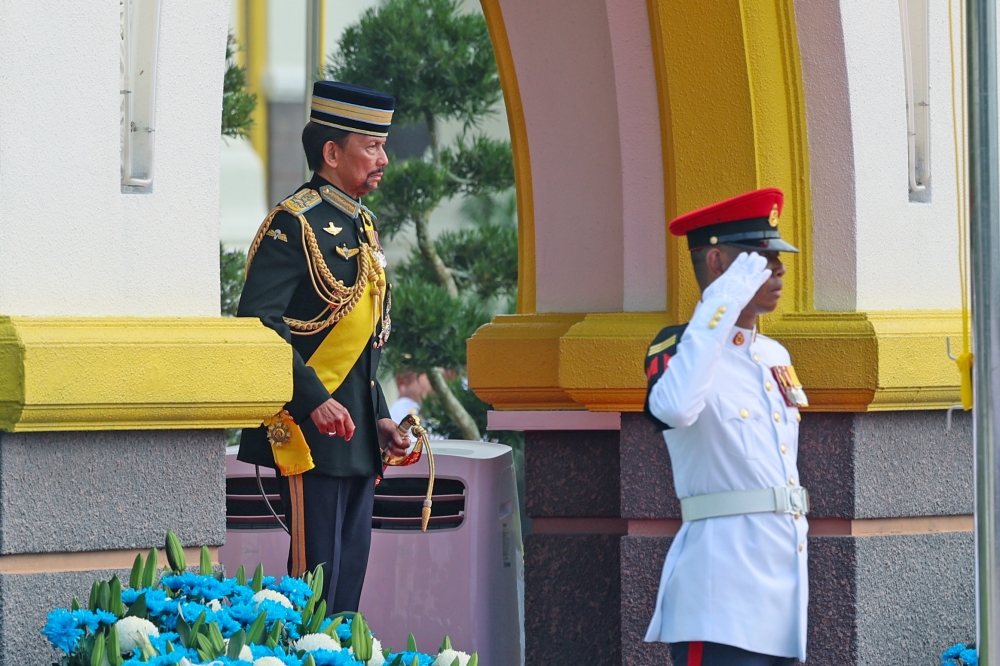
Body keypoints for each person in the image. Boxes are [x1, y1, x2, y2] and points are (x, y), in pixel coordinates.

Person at [236, 80, 408, 614]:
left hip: (356, 435)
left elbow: (364, 342)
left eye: (383, 145)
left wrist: (378, 415)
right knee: (313, 582)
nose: (383, 157)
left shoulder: (363, 222)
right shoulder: (293, 223)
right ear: (332, 152)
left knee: (348, 583)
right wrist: (313, 399)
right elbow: (258, 323)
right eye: (371, 146)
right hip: (310, 433)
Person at [643, 188, 809, 666]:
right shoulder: (681, 348)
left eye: (778, 257)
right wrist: (719, 305)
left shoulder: (774, 356)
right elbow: (674, 409)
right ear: (717, 261)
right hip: (718, 598)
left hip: (782, 599)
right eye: (760, 257)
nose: (777, 270)